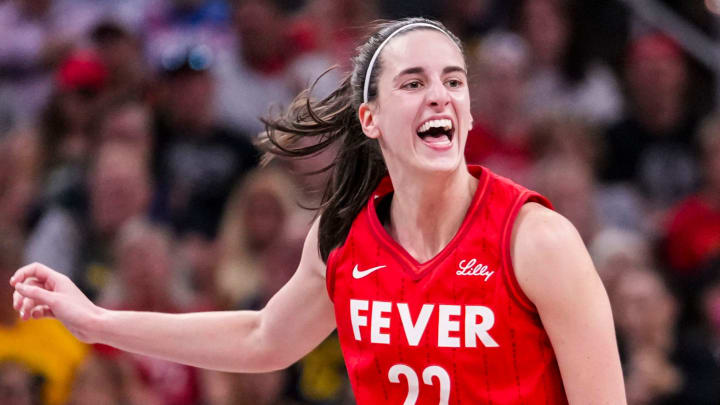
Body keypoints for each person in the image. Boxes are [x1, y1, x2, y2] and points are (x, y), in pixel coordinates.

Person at [10, 17, 626, 404]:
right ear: (371, 118)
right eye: (413, 83)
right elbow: (261, 337)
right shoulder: (344, 236)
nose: (440, 93)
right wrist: (97, 321)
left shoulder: (537, 240)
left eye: (454, 80)